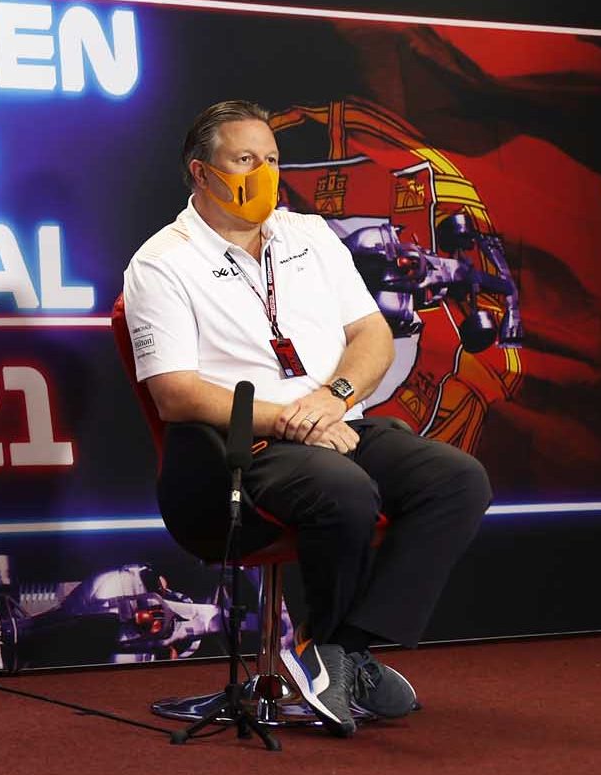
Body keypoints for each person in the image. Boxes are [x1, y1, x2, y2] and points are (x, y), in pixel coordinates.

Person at [122, 99, 493, 735]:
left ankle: (341, 649)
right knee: (344, 490)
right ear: (200, 173)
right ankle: (335, 657)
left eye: (271, 159)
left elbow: (372, 334)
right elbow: (177, 394)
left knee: (457, 479)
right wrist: (292, 420)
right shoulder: (162, 263)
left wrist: (333, 398)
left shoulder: (311, 235)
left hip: (336, 419)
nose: (263, 173)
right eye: (245, 160)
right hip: (247, 444)